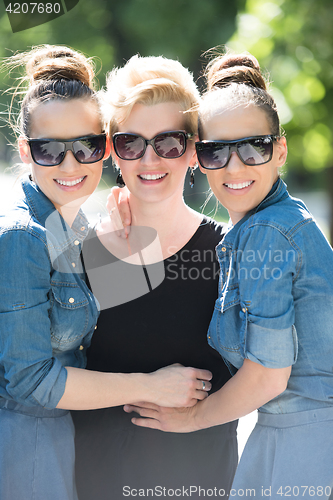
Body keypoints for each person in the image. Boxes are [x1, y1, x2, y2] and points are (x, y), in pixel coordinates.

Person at [0, 46, 211, 500]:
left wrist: (110, 251)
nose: (71, 164)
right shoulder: (22, 235)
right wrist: (152, 387)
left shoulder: (71, 227)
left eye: (86, 145)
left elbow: (101, 331)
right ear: (25, 152)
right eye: (49, 150)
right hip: (29, 453)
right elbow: (32, 379)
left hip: (68, 452)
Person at [125, 52, 333, 499]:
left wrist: (190, 420)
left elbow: (269, 375)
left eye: (253, 147)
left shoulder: (267, 233)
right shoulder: (253, 231)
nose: (234, 167)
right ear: (199, 158)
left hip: (305, 447)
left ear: (280, 149)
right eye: (216, 150)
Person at [72, 54, 238, 500]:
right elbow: (47, 377)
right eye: (131, 143)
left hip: (199, 483)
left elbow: (268, 376)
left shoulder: (230, 252)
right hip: (97, 483)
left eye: (168, 142)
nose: (149, 159)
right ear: (112, 152)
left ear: (193, 151)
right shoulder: (84, 252)